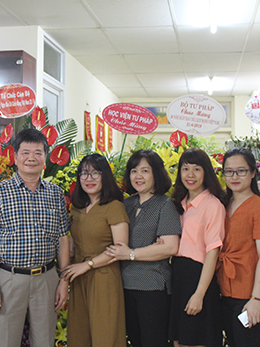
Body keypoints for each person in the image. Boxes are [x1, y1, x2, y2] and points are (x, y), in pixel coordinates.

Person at [0, 129, 70, 347]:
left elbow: (63, 239)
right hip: (9, 279)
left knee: (45, 341)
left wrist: (63, 282)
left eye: (38, 153)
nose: (31, 158)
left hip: (47, 278)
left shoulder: (55, 194)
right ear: (15, 157)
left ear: (45, 158)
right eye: (25, 152)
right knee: (6, 341)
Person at [105, 149, 181, 347]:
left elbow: (170, 247)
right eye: (134, 171)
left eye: (145, 171)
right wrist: (151, 249)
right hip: (124, 285)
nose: (138, 176)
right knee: (135, 340)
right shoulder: (126, 204)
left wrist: (130, 253)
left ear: (156, 174)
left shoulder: (165, 205)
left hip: (153, 287)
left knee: (152, 342)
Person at [62, 153, 129, 347]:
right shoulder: (77, 207)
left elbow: (120, 248)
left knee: (104, 334)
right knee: (79, 334)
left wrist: (88, 265)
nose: (88, 179)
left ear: (104, 176)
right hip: (78, 277)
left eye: (94, 173)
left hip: (104, 277)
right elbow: (73, 244)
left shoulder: (114, 207)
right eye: (84, 173)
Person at [217, 147, 260, 347]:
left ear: (252, 173)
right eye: (229, 171)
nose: (234, 176)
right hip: (225, 291)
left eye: (241, 171)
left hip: (251, 293)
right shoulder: (223, 205)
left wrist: (256, 299)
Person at [169, 148, 225, 347]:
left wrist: (199, 294)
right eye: (185, 169)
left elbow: (212, 252)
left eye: (196, 169)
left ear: (206, 172)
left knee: (196, 340)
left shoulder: (213, 205)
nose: (190, 175)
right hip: (179, 277)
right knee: (179, 341)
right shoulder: (179, 204)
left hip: (199, 278)